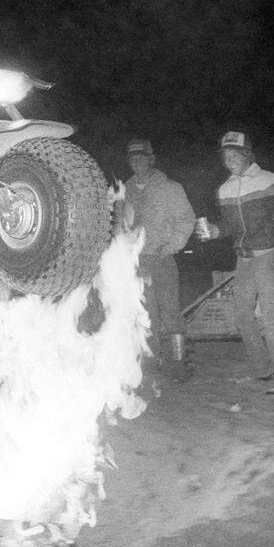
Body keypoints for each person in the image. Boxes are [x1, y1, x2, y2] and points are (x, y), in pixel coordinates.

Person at [197, 131, 274, 394]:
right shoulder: (225, 188)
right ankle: (262, 370)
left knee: (270, 316)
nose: (229, 160)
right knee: (242, 317)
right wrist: (215, 231)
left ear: (247, 154)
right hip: (243, 259)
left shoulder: (269, 179)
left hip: (266, 256)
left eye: (234, 154)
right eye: (225, 156)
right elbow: (230, 226)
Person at [124, 139, 197, 384]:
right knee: (146, 314)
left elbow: (187, 220)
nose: (136, 161)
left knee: (170, 312)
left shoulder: (170, 188)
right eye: (132, 157)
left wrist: (172, 245)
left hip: (162, 259)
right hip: (138, 261)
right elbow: (122, 226)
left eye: (141, 156)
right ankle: (152, 362)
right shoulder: (127, 190)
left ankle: (177, 364)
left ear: (151, 158)